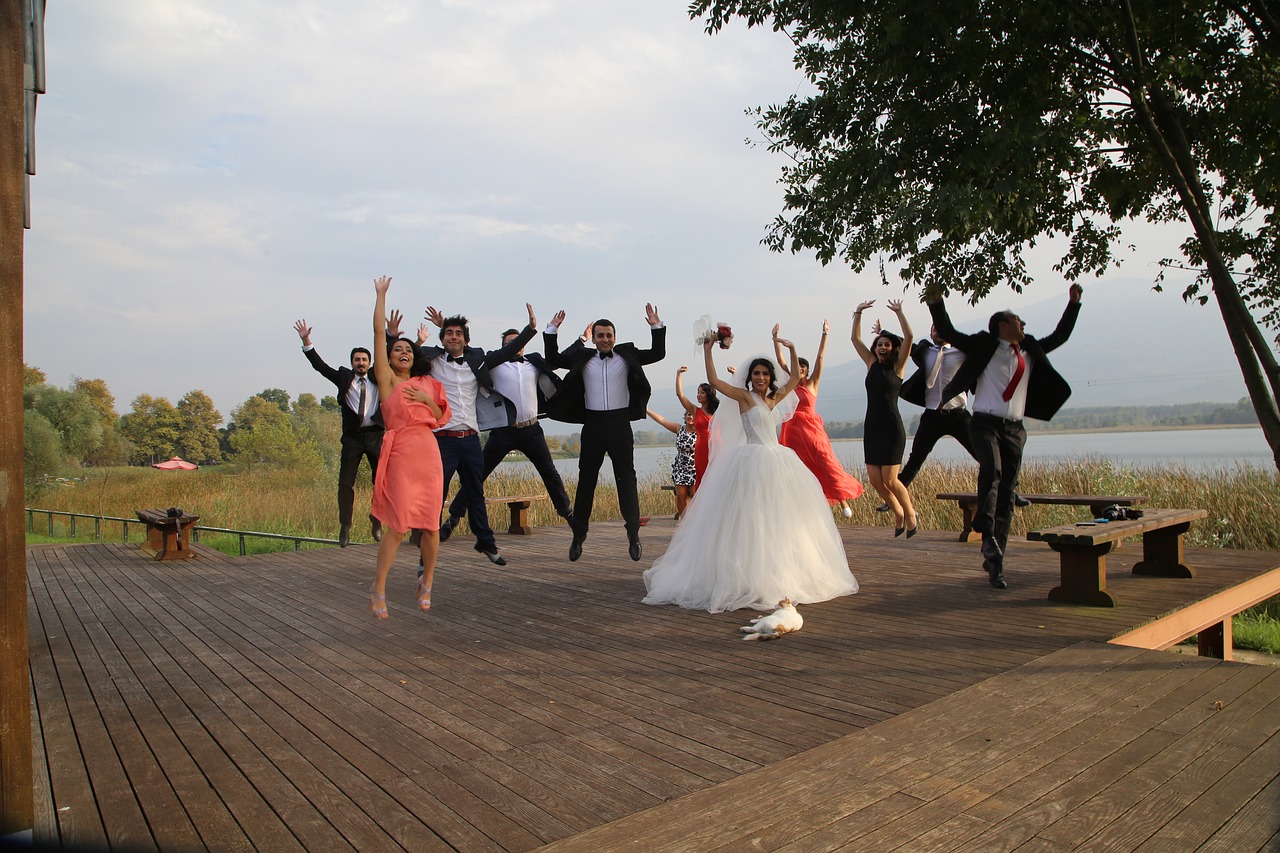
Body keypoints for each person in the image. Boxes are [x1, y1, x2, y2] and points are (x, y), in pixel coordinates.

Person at [641, 329, 858, 613]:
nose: (760, 378)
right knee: (749, 519)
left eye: (764, 374)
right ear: (749, 377)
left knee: (779, 519)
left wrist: (791, 350)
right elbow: (716, 381)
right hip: (751, 461)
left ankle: (780, 572)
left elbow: (794, 379)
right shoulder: (744, 398)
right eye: (756, 374)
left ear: (770, 377)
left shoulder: (773, 399)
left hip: (778, 462)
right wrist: (708, 350)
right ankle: (744, 576)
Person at [929, 284, 1083, 589]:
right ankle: (984, 527)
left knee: (1008, 494)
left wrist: (1073, 304)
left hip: (1015, 429)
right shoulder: (984, 345)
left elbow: (1060, 336)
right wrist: (936, 301)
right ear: (1002, 325)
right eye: (1018, 321)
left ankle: (996, 559)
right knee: (993, 469)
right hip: (985, 423)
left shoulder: (1030, 348)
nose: (1023, 325)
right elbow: (948, 329)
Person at [544, 305, 666, 563]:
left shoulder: (626, 355)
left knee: (627, 479)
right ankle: (578, 535)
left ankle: (633, 534)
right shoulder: (582, 358)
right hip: (593, 425)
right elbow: (553, 359)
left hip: (620, 424)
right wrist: (551, 330)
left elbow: (658, 353)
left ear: (615, 337)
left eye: (609, 335)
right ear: (595, 338)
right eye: (600, 335)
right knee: (586, 481)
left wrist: (656, 326)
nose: (605, 339)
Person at [417, 306, 537, 567]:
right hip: (443, 439)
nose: (453, 337)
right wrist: (399, 336)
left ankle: (485, 541)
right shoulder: (433, 361)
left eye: (458, 334)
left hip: (470, 438)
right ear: (441, 338)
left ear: (466, 340)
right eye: (448, 333)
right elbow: (407, 358)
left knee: (475, 493)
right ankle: (425, 554)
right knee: (437, 494)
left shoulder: (476, 360)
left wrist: (530, 330)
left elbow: (505, 352)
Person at [439, 306, 574, 532]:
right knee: (478, 474)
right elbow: (467, 353)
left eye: (520, 341)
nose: (516, 344)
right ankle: (453, 518)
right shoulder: (493, 364)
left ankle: (569, 515)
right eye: (511, 342)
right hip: (503, 431)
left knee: (550, 473)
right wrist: (444, 325)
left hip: (531, 429)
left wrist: (579, 338)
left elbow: (559, 359)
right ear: (504, 347)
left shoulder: (533, 362)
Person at [367, 275, 450, 619]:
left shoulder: (428, 383)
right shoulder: (386, 381)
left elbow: (442, 417)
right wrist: (381, 296)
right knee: (399, 526)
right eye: (397, 349)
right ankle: (379, 588)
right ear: (389, 357)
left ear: (415, 357)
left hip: (428, 452)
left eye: (407, 350)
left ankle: (427, 582)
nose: (403, 352)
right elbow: (376, 334)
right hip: (400, 450)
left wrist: (425, 401)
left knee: (431, 526)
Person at [294, 317, 384, 547]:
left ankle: (377, 518)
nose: (361, 363)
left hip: (375, 436)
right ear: (352, 362)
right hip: (353, 438)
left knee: (382, 481)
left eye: (364, 360)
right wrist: (307, 340)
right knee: (345, 483)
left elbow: (398, 361)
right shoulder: (344, 378)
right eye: (357, 360)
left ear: (370, 362)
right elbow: (319, 366)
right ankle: (345, 524)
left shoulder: (378, 378)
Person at [774, 319, 865, 518]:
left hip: (811, 430)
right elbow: (781, 362)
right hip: (791, 432)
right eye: (795, 367)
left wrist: (825, 334)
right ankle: (801, 507)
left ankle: (842, 500)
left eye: (802, 368)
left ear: (806, 371)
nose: (798, 370)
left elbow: (820, 358)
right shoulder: (789, 387)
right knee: (797, 468)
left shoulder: (811, 384)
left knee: (825, 461)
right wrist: (775, 340)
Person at [851, 299, 918, 537]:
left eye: (887, 344)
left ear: (893, 349)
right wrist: (858, 313)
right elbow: (855, 340)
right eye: (879, 344)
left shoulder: (898, 368)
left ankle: (910, 514)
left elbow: (908, 337)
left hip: (891, 428)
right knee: (875, 481)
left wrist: (900, 313)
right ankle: (897, 512)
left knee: (890, 480)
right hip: (872, 428)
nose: (882, 347)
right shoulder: (871, 364)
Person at [645, 407, 697, 518]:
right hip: (681, 468)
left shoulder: (700, 431)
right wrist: (647, 410)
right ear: (685, 417)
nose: (690, 417)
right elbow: (662, 420)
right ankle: (684, 520)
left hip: (695, 468)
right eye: (688, 414)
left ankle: (697, 519)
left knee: (695, 494)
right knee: (681, 495)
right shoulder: (679, 429)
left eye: (692, 415)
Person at [673, 365, 719, 488]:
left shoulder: (718, 411)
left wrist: (735, 376)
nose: (699, 395)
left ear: (709, 394)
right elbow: (680, 394)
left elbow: (733, 402)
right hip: (701, 449)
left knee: (718, 479)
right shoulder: (694, 410)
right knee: (704, 481)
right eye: (698, 392)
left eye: (702, 392)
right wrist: (678, 374)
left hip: (717, 447)